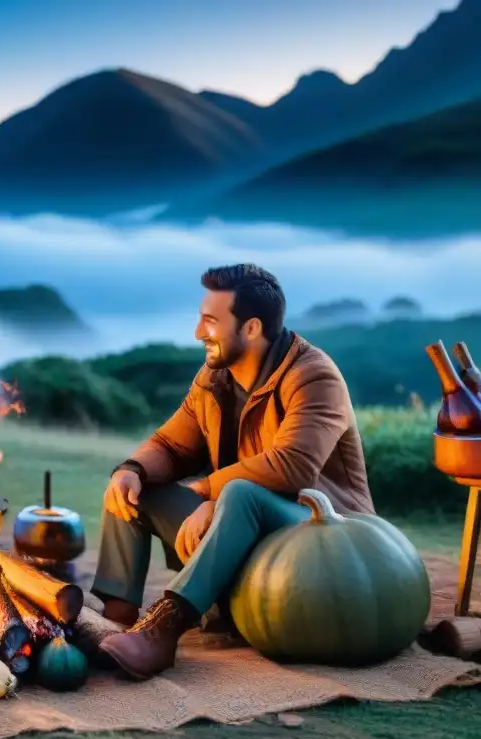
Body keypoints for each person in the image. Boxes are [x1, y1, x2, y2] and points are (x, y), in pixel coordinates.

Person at [93, 263, 374, 679]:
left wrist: (210, 493)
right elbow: (172, 445)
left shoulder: (313, 376)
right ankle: (115, 622)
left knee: (239, 494)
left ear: (252, 328)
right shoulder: (213, 378)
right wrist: (132, 469)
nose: (197, 333)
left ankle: (164, 630)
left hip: (325, 533)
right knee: (135, 489)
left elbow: (292, 466)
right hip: (245, 525)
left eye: (210, 321)